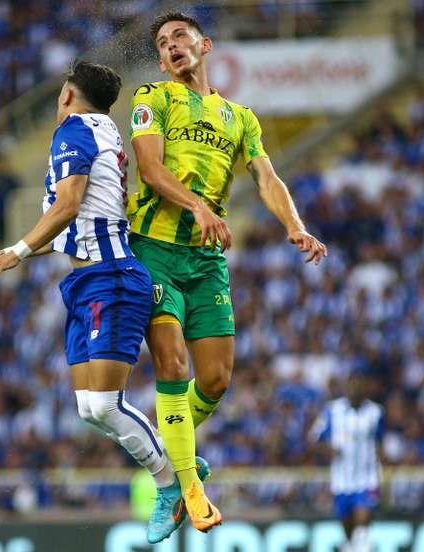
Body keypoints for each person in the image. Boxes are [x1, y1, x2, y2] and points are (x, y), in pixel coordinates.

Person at [0, 61, 205, 544]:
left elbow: (68, 206)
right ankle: (174, 468)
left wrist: (13, 253)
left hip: (110, 278)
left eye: (58, 94)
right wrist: (11, 253)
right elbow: (74, 218)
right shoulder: (102, 129)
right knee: (90, 409)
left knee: (106, 405)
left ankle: (174, 479)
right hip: (88, 281)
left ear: (68, 95)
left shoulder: (72, 130)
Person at [127, 10, 328, 530]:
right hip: (153, 250)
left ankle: (174, 450)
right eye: (163, 42)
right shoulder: (152, 98)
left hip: (206, 259)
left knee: (215, 379)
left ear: (205, 44)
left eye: (180, 37)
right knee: (171, 365)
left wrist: (295, 226)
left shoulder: (240, 117)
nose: (171, 46)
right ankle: (187, 490)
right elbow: (149, 168)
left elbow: (267, 177)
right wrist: (197, 205)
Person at [309, 372, 384, 552]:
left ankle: (360, 545)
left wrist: (384, 466)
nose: (355, 389)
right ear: (346, 387)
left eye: (359, 385)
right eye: (352, 385)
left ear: (365, 388)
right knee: (347, 525)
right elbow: (313, 439)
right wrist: (329, 449)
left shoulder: (376, 411)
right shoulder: (332, 411)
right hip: (342, 479)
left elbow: (380, 441)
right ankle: (350, 546)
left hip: (368, 476)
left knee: (363, 518)